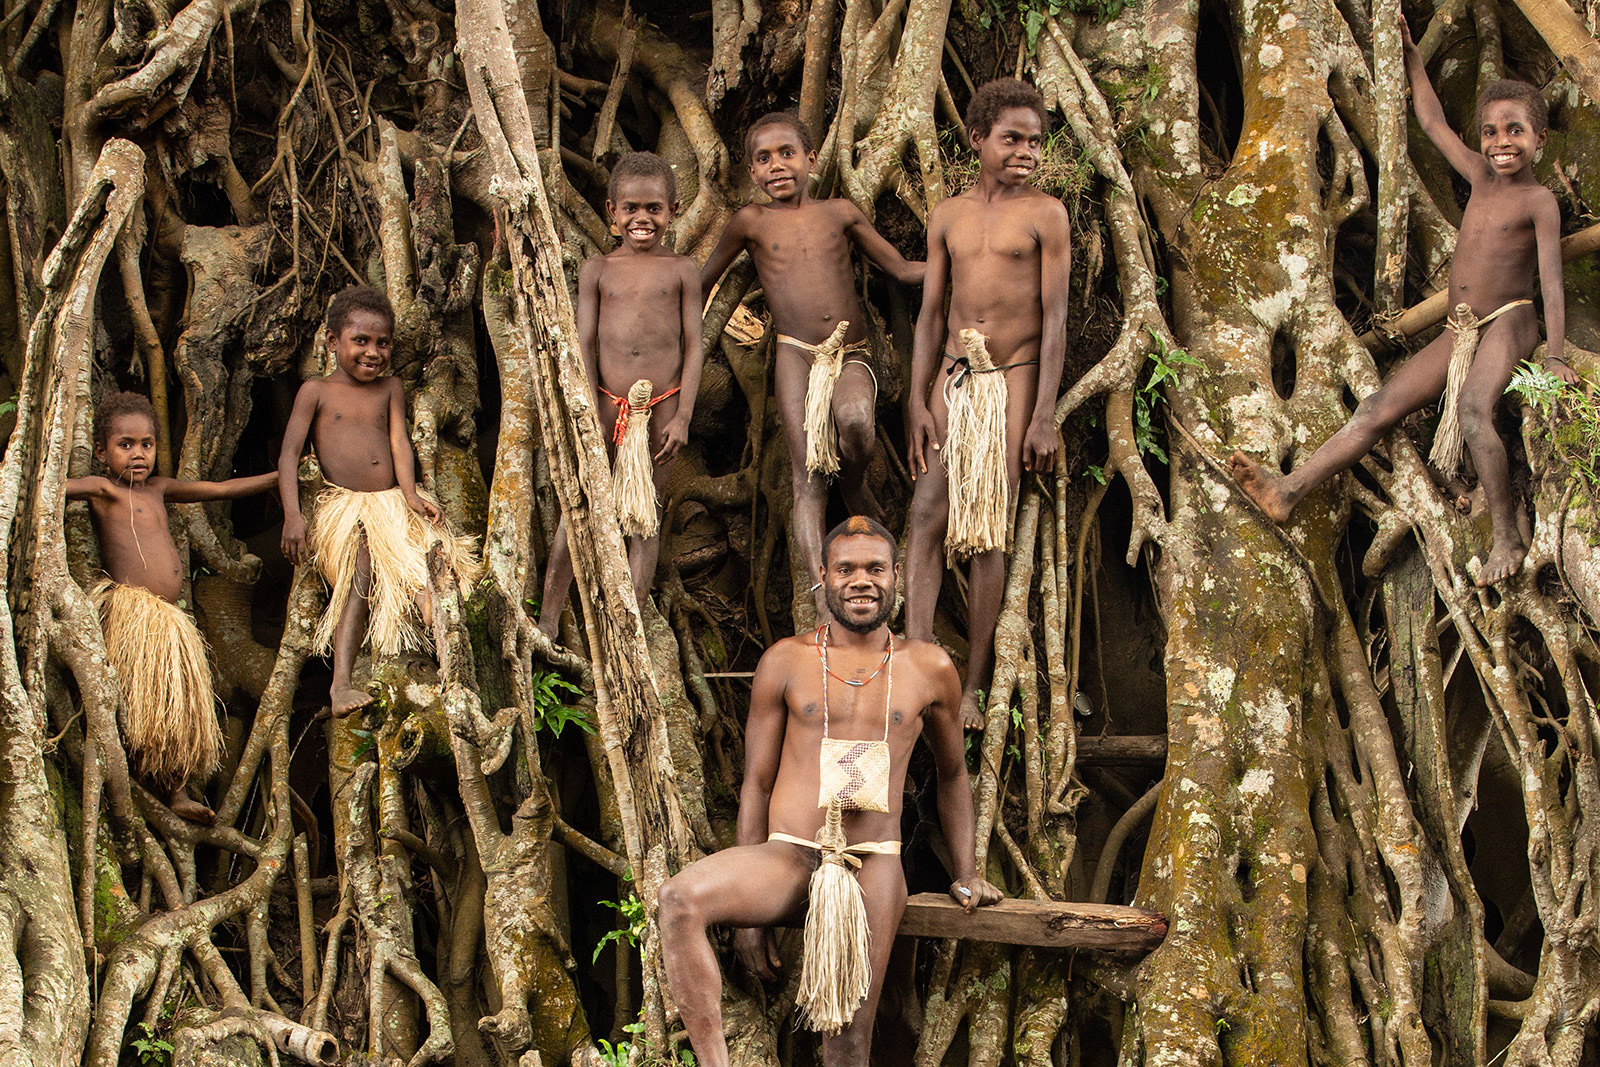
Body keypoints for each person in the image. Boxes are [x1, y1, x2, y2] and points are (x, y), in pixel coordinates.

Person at [1230, 19, 1578, 587]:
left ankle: (1508, 537)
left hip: (1511, 322)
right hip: (1460, 328)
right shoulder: (1476, 173)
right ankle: (1287, 489)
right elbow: (1431, 121)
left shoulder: (1539, 201)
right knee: (1374, 409)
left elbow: (1552, 281)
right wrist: (1412, 58)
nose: (1500, 142)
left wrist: (1557, 354)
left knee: (1471, 411)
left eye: (1515, 131)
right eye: (1490, 132)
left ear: (1539, 139)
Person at [657, 516, 1002, 1067]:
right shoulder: (786, 660)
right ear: (823, 576)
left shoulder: (929, 667)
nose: (861, 580)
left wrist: (965, 871)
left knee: (845, 1043)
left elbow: (953, 774)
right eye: (846, 568)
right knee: (678, 901)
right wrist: (751, 922)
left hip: (873, 865)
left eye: (875, 568)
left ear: (896, 577)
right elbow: (756, 782)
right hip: (788, 854)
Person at [700, 112, 925, 623]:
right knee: (806, 476)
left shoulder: (840, 213)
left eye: (787, 153)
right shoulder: (750, 223)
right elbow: (702, 279)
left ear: (812, 160)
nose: (777, 166)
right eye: (763, 159)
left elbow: (902, 269)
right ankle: (821, 591)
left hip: (851, 352)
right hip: (796, 355)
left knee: (855, 422)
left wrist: (969, 260)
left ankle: (855, 482)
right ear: (752, 173)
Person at [903, 79, 1069, 730]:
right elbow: (928, 316)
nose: (1026, 151)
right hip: (952, 372)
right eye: (1012, 138)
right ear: (978, 140)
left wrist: (1044, 413)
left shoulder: (1046, 216)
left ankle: (972, 686)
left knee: (986, 525)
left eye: (1035, 141)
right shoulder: (947, 214)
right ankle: (916, 656)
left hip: (1015, 374)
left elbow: (1055, 318)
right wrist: (918, 400)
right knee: (925, 510)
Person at [68, 392, 276, 823]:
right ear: (103, 453)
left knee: (177, 705)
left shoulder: (161, 489)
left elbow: (220, 489)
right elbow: (49, 484)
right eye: (125, 445)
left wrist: (282, 476)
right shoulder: (103, 489)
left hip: (170, 618)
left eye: (146, 444)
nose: (138, 454)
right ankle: (155, 790)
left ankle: (179, 792)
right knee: (149, 705)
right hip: (135, 614)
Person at [279, 285, 482, 717]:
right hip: (347, 508)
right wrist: (293, 517)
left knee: (432, 574)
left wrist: (410, 494)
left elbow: (399, 443)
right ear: (333, 342)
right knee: (362, 573)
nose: (373, 352)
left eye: (383, 343)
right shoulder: (314, 391)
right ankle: (339, 686)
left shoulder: (390, 388)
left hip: (392, 504)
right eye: (361, 341)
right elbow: (288, 455)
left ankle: (455, 671)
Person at [536, 152, 704, 639]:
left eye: (653, 208)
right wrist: (588, 405)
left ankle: (624, 628)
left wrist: (684, 416)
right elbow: (584, 342)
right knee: (582, 505)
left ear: (673, 210)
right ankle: (547, 622)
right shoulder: (597, 271)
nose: (642, 219)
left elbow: (694, 347)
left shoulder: (683, 270)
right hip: (607, 403)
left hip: (663, 406)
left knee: (644, 516)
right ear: (611, 212)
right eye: (630, 209)